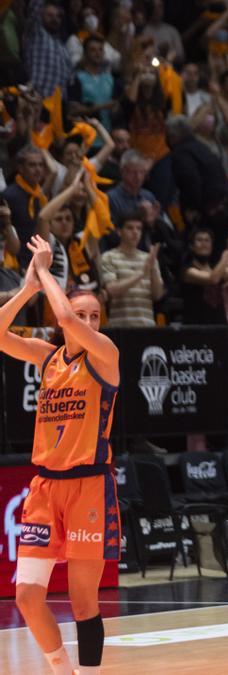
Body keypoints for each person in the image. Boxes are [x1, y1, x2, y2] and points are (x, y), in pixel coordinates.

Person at [5, 235, 120, 675]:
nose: (87, 322)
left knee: (83, 601)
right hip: (45, 488)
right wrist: (29, 288)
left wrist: (49, 273)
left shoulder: (106, 356)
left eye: (96, 317)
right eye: (83, 314)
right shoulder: (49, 357)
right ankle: (62, 670)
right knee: (28, 596)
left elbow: (67, 315)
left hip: (89, 485)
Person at [98, 217, 162, 327]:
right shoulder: (109, 257)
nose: (135, 232)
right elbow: (112, 290)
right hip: (119, 326)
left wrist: (153, 270)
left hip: (147, 325)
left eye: (139, 228)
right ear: (119, 231)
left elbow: (157, 295)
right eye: (130, 228)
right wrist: (141, 274)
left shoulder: (149, 259)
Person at [180, 228, 228, 325]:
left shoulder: (216, 268)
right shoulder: (187, 270)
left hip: (219, 325)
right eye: (199, 240)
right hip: (195, 328)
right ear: (192, 246)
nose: (204, 244)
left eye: (207, 240)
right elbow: (212, 279)